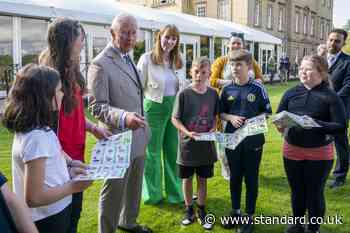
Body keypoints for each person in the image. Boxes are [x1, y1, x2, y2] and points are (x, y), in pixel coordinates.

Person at [39, 17, 111, 233]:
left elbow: (75, 113)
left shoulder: (72, 70)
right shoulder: (50, 78)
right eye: (80, 39)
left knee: (74, 213)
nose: (82, 43)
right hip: (60, 160)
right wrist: (67, 161)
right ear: (67, 41)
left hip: (76, 156)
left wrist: (93, 128)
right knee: (61, 220)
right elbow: (47, 128)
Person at [2, 64, 92, 233]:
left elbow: (50, 166)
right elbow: (34, 198)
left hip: (51, 213)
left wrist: (70, 168)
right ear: (44, 96)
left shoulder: (37, 128)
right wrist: (73, 187)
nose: (63, 93)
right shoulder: (36, 137)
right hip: (48, 219)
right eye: (59, 90)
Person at [88, 14, 152, 233]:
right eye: (125, 32)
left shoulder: (127, 57)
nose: (131, 37)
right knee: (113, 191)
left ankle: (129, 222)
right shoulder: (100, 64)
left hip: (138, 137)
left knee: (134, 186)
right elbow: (97, 107)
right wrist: (125, 117)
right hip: (117, 140)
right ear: (112, 33)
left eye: (134, 32)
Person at [275, 55, 347, 233]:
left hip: (319, 153)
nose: (302, 72)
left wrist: (316, 124)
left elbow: (341, 126)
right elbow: (279, 116)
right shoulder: (291, 92)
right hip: (292, 150)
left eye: (307, 69)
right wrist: (280, 124)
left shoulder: (330, 96)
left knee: (314, 192)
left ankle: (313, 228)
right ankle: (297, 224)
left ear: (322, 73)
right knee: (297, 190)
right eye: (301, 69)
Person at [219, 50, 272, 233]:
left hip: (253, 140)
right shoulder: (226, 89)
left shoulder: (258, 88)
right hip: (233, 139)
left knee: (251, 178)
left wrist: (254, 120)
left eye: (239, 64)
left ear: (248, 66)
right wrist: (231, 117)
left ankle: (249, 216)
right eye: (232, 64)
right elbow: (221, 113)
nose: (235, 68)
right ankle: (235, 211)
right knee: (234, 177)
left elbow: (267, 112)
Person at [137, 24, 184, 205]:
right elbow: (139, 88)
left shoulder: (178, 60)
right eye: (167, 37)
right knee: (153, 153)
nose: (170, 42)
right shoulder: (146, 58)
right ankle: (153, 194)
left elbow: (182, 86)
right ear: (159, 37)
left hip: (174, 109)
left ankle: (175, 194)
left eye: (173, 39)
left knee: (173, 152)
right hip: (153, 109)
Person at [172, 57, 218, 230]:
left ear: (209, 74)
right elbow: (174, 118)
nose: (199, 75)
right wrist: (187, 133)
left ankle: (202, 209)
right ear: (191, 71)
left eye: (203, 72)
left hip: (205, 147)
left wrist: (213, 127)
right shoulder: (183, 93)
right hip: (187, 147)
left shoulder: (213, 93)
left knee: (203, 179)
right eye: (196, 71)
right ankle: (189, 209)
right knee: (187, 179)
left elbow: (215, 116)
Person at [210, 33, 263, 181]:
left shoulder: (251, 61)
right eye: (233, 43)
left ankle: (244, 167)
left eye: (239, 43)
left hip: (246, 106)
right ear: (228, 45)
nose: (236, 46)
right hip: (227, 106)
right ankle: (226, 168)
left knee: (244, 137)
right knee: (225, 138)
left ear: (243, 45)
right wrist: (232, 83)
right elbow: (212, 79)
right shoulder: (221, 61)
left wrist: (248, 83)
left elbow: (260, 79)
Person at [326, 28, 350, 188]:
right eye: (331, 39)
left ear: (343, 43)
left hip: (340, 108)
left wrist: (332, 100)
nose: (333, 43)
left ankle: (340, 176)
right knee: (317, 140)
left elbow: (349, 85)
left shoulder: (348, 61)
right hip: (318, 108)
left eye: (337, 41)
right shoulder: (318, 59)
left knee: (340, 142)